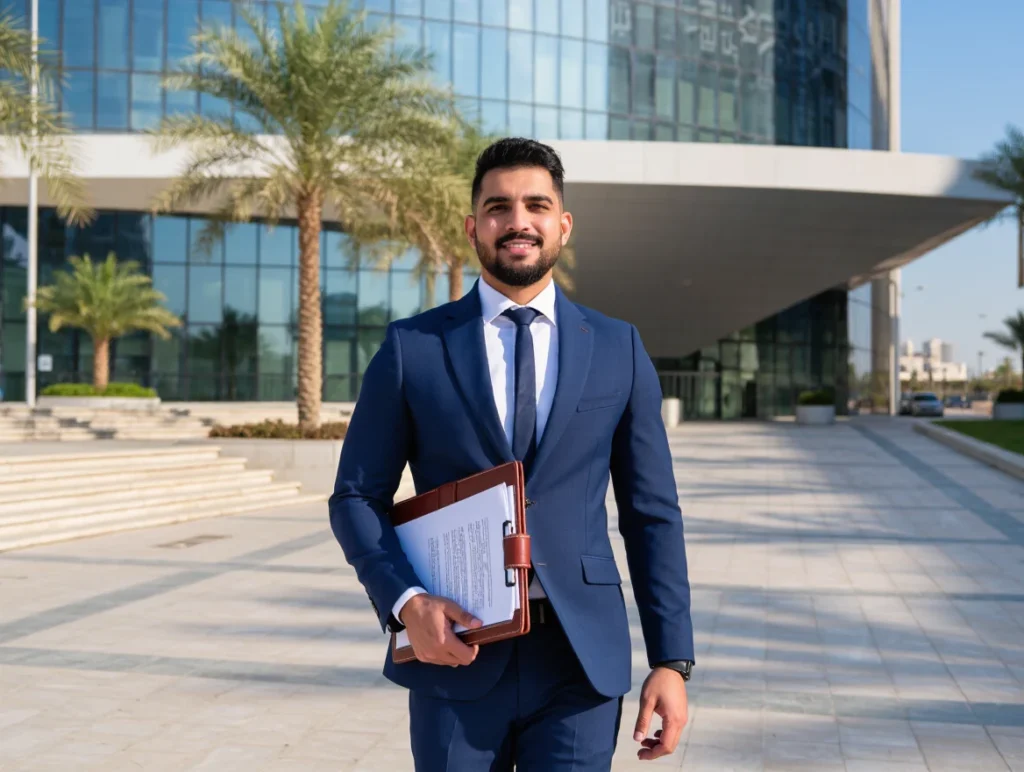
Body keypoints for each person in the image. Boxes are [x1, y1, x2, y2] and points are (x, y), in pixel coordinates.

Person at [329, 138, 694, 770]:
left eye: (536, 205)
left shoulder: (619, 348)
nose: (518, 221)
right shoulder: (413, 348)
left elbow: (651, 513)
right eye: (498, 207)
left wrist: (672, 659)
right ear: (473, 227)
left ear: (563, 225)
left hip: (580, 660)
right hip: (456, 647)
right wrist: (406, 602)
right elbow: (356, 497)